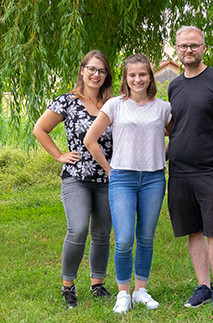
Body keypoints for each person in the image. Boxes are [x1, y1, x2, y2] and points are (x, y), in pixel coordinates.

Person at [84, 53, 172, 314]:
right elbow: (91, 140)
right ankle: (123, 293)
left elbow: (175, 136)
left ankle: (141, 289)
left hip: (154, 178)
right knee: (123, 239)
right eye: (132, 75)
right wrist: (109, 170)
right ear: (125, 78)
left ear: (150, 77)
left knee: (146, 237)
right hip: (122, 178)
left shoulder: (163, 108)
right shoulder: (114, 105)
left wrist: (161, 155)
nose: (137, 79)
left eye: (142, 74)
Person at [33, 50, 113, 309]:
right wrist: (59, 155)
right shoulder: (67, 101)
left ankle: (98, 284)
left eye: (101, 71)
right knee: (77, 229)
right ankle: (68, 286)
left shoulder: (112, 103)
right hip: (76, 177)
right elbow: (40, 129)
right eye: (91, 69)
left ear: (106, 75)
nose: (96, 74)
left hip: (108, 178)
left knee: (102, 233)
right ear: (82, 70)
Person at [167, 26, 213, 309]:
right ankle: (203, 286)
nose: (188, 51)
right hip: (180, 171)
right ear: (177, 49)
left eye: (194, 45)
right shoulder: (174, 86)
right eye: (183, 46)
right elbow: (175, 127)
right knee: (193, 230)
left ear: (204, 47)